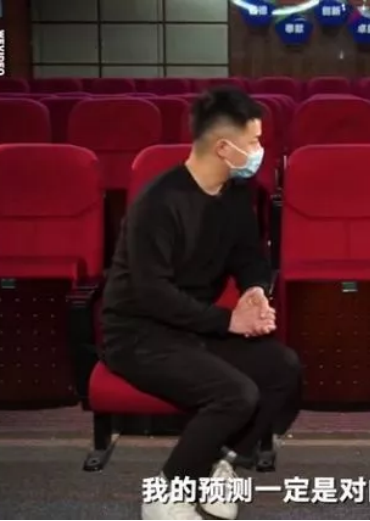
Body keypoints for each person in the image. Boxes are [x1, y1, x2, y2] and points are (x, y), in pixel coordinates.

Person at [100, 86, 302, 521]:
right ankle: (165, 494)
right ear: (224, 147)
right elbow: (152, 294)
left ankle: (221, 465)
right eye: (253, 142)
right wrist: (229, 322)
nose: (259, 152)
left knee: (283, 369)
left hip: (193, 327)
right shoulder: (158, 203)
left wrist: (254, 290)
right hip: (139, 333)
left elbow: (249, 256)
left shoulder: (235, 193)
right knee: (236, 394)